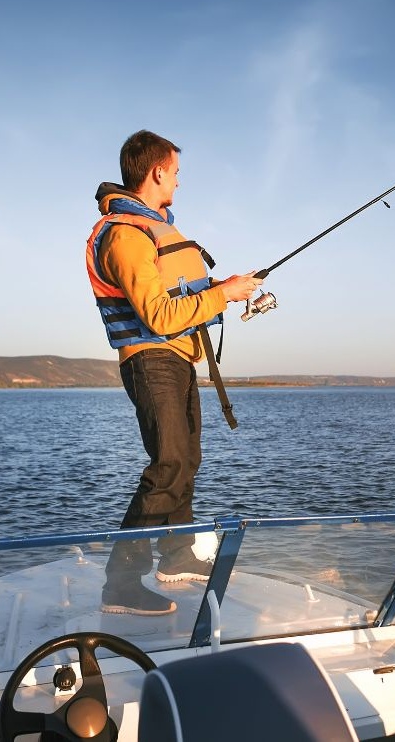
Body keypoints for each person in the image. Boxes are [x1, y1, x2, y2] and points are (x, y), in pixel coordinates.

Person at [86, 130, 261, 615]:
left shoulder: (152, 227)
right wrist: (223, 295)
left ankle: (177, 554)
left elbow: (177, 301)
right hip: (150, 358)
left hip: (178, 358)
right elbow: (159, 316)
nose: (179, 182)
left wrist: (224, 286)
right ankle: (120, 583)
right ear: (157, 170)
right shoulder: (124, 235)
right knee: (168, 462)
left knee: (186, 458)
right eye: (176, 172)